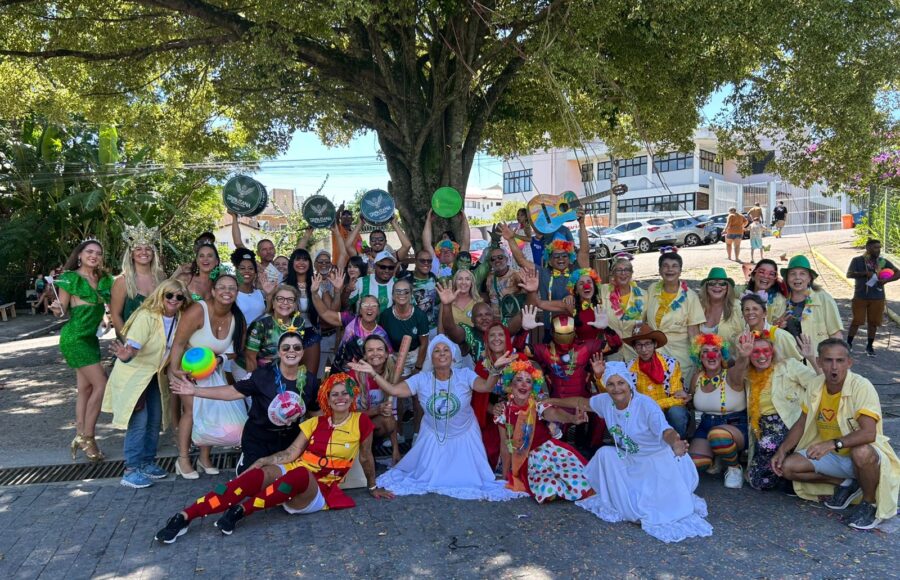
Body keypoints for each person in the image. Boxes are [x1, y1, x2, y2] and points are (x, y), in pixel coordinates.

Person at [154, 373, 392, 543]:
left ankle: (242, 510)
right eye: (334, 394)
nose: (340, 398)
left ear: (352, 397)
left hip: (318, 491)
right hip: (292, 478)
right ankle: (186, 516)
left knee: (300, 473)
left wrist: (372, 486)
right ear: (327, 400)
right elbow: (290, 454)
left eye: (345, 394)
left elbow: (366, 457)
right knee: (258, 474)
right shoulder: (314, 422)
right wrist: (264, 461)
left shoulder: (361, 422)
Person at [544, 362, 713, 543]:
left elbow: (666, 431)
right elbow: (581, 403)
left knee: (661, 511)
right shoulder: (606, 401)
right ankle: (621, 499)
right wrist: (552, 401)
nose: (616, 388)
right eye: (611, 384)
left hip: (656, 461)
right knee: (604, 454)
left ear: (629, 384)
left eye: (621, 383)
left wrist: (676, 443)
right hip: (630, 458)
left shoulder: (645, 405)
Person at [349, 336, 524, 501]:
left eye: (446, 350)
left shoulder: (465, 375)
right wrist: (373, 373)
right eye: (436, 350)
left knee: (470, 481)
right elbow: (394, 390)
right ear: (431, 358)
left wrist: (494, 370)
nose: (441, 354)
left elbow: (486, 387)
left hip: (465, 436)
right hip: (433, 436)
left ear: (453, 357)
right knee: (422, 477)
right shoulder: (421, 379)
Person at [774, 339, 900, 530]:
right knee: (788, 468)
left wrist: (832, 444)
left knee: (861, 452)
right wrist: (782, 450)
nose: (834, 367)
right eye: (828, 360)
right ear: (819, 361)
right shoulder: (816, 384)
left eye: (840, 361)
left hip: (860, 456)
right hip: (834, 455)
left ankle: (869, 503)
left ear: (849, 362)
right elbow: (801, 422)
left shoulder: (861, 386)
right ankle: (847, 483)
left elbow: (868, 433)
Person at [170, 331, 309, 475]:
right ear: (279, 352)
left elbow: (317, 415)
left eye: (297, 348)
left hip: (289, 443)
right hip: (259, 441)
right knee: (253, 482)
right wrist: (195, 391)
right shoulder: (262, 376)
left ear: (303, 351)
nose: (291, 351)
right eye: (286, 348)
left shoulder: (309, 381)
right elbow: (232, 392)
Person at [105, 280, 192, 488]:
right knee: (140, 421)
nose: (173, 300)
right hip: (135, 376)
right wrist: (126, 354)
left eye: (179, 297)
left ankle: (147, 462)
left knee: (155, 418)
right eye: (169, 295)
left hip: (154, 375)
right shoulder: (146, 316)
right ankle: (131, 469)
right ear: (160, 295)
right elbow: (132, 349)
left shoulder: (180, 319)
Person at [168, 266, 247, 479]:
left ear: (237, 293)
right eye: (222, 287)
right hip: (186, 368)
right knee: (192, 411)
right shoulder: (198, 310)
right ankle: (183, 459)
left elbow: (234, 351)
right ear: (213, 291)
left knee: (210, 412)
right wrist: (177, 371)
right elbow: (178, 343)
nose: (226, 291)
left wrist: (219, 359)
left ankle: (204, 459)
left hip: (213, 370)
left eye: (232, 288)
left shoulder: (237, 318)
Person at [50, 240, 115, 462]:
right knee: (102, 384)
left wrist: (105, 316)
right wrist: (57, 308)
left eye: (98, 253)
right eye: (89, 252)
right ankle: (88, 436)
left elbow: (98, 305)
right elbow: (61, 310)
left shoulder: (103, 279)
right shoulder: (70, 278)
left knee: (85, 389)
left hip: (90, 339)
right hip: (75, 338)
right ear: (80, 255)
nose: (94, 256)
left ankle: (80, 436)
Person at [492, 358, 592, 503]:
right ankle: (557, 490)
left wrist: (572, 418)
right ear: (510, 384)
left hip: (551, 452)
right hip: (528, 460)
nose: (523, 384)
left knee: (581, 478)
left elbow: (554, 413)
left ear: (533, 386)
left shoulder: (537, 405)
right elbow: (504, 445)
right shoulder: (503, 412)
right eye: (519, 379)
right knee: (546, 487)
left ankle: (566, 489)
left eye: (528, 381)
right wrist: (505, 475)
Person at [521, 305, 617, 452]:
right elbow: (517, 350)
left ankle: (593, 451)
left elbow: (615, 345)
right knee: (558, 446)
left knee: (601, 413)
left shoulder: (587, 347)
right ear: (552, 333)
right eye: (560, 333)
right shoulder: (544, 350)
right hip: (557, 406)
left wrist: (606, 328)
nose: (564, 338)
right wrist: (524, 330)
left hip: (584, 403)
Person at [735, 332, 819, 491]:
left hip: (790, 423)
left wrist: (811, 358)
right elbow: (734, 379)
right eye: (755, 352)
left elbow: (821, 385)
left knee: (768, 444)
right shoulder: (747, 375)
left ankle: (788, 470)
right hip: (762, 427)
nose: (761, 356)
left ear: (772, 352)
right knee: (756, 482)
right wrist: (742, 357)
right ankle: (786, 475)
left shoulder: (789, 366)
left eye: (766, 351)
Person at [504, 209, 590, 335]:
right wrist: (511, 239)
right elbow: (522, 261)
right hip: (551, 331)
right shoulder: (543, 273)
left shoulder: (577, 270)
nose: (561, 259)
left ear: (570, 256)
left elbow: (584, 250)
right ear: (549, 259)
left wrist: (582, 224)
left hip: (577, 330)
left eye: (564, 255)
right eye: (556, 256)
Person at [687, 333, 751, 488]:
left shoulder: (730, 375)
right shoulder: (697, 377)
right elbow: (690, 401)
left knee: (718, 436)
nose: (710, 354)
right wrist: (684, 397)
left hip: (734, 425)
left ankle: (734, 467)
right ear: (699, 357)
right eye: (705, 351)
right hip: (706, 425)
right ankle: (720, 455)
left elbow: (741, 366)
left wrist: (744, 356)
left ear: (722, 355)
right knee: (696, 463)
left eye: (715, 350)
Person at [644, 251, 704, 382]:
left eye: (674, 266)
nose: (669, 269)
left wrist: (699, 359)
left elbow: (694, 332)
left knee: (678, 396)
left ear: (680, 271)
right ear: (659, 270)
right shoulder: (653, 289)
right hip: (654, 353)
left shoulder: (690, 296)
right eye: (665, 266)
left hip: (680, 356)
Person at [621, 326, 689, 439]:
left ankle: (678, 443)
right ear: (634, 347)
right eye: (639, 345)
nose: (644, 349)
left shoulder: (671, 364)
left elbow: (679, 399)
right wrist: (598, 376)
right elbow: (620, 396)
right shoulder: (629, 368)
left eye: (648, 344)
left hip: (666, 412)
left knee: (676, 413)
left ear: (655, 344)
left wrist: (653, 405)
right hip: (642, 414)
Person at [347, 335, 401, 464]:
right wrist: (376, 410)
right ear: (364, 355)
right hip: (353, 428)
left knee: (388, 420)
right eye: (370, 350)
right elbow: (346, 416)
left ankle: (372, 449)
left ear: (387, 353)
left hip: (373, 425)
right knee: (365, 421)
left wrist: (395, 450)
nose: (375, 353)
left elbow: (392, 413)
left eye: (380, 349)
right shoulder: (353, 376)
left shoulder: (391, 375)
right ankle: (365, 457)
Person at [110, 222, 165, 338]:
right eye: (138, 249)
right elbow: (115, 316)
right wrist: (128, 345)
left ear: (153, 253)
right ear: (131, 254)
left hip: (159, 342)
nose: (144, 252)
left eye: (148, 249)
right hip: (132, 344)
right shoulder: (122, 281)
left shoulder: (161, 277)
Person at [846, 239, 899, 356]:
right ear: (868, 248)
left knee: (873, 322)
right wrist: (864, 274)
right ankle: (848, 343)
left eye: (879, 247)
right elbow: (849, 274)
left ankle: (869, 346)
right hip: (860, 296)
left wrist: (886, 280)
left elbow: (897, 272)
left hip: (877, 297)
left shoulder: (882, 262)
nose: (878, 250)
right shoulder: (857, 261)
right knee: (857, 320)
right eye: (875, 247)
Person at [780, 255, 843, 353]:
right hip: (791, 362)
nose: (797, 277)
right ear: (787, 278)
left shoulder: (823, 298)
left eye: (802, 274)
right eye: (792, 274)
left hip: (818, 362)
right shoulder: (782, 301)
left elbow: (835, 334)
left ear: (810, 278)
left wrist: (836, 361)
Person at [599, 254, 646, 362]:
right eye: (619, 270)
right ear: (613, 274)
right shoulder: (603, 291)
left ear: (632, 273)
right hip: (611, 355)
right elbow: (586, 288)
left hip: (636, 354)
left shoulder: (644, 295)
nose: (623, 273)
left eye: (627, 270)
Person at [285, 248, 323, 380]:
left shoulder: (316, 284)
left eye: (305, 259)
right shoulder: (283, 285)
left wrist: (337, 291)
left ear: (310, 263)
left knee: (310, 378)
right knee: (289, 378)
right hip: (287, 335)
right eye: (298, 259)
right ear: (292, 263)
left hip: (311, 334)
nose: (301, 262)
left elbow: (328, 311)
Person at [378, 278, 429, 377]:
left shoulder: (420, 315)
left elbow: (424, 344)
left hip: (417, 356)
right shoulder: (386, 315)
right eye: (398, 291)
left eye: (406, 292)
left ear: (411, 295)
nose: (402, 294)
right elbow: (382, 341)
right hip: (395, 357)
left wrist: (418, 367)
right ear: (392, 295)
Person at [739, 294, 803, 362]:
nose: (750, 312)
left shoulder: (782, 336)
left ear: (764, 313)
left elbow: (797, 365)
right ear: (743, 314)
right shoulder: (741, 338)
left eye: (755, 309)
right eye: (747, 309)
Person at [399, 249, 439, 339]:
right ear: (416, 261)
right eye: (422, 260)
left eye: (429, 261)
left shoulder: (434, 278)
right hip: (413, 328)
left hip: (433, 329)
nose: (426, 263)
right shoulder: (406, 280)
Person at [698, 268, 744, 342]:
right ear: (706, 287)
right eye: (712, 283)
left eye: (722, 283)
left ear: (727, 287)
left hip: (732, 353)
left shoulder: (737, 306)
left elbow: (747, 332)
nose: (717, 286)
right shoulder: (699, 306)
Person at [482, 245, 523, 324]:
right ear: (490, 263)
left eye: (500, 257)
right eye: (493, 259)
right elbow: (488, 295)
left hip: (514, 322)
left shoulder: (517, 275)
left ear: (506, 259)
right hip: (495, 322)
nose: (497, 260)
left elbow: (526, 295)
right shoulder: (489, 278)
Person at [741, 259, 788, 323]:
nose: (766, 276)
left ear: (774, 281)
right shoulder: (740, 292)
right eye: (761, 272)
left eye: (771, 274)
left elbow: (775, 328)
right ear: (753, 276)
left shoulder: (779, 301)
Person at [438, 268, 481, 335]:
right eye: (460, 279)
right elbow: (440, 330)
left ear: (472, 283)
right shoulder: (446, 301)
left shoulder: (478, 302)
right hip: (450, 343)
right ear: (455, 282)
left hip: (472, 344)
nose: (463, 282)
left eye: (467, 279)